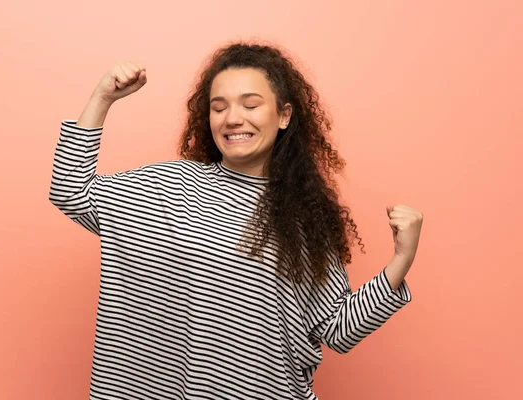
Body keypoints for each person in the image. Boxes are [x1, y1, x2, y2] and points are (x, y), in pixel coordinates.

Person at [49, 42, 423, 400]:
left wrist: (400, 261)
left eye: (251, 104)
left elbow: (339, 330)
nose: (232, 118)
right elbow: (70, 190)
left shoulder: (305, 216)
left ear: (284, 115)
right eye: (218, 107)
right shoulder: (169, 186)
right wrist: (102, 98)